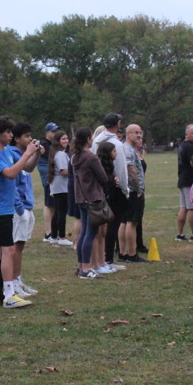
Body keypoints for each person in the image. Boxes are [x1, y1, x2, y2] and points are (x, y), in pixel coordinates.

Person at [0, 115, 39, 307]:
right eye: (7, 132)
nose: (10, 135)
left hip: (6, 208)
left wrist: (35, 154)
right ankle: (9, 296)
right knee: (8, 249)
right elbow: (10, 174)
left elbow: (27, 167)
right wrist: (27, 153)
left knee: (3, 251)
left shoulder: (7, 151)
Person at [91, 113, 128, 268]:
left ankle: (102, 258)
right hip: (113, 187)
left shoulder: (96, 140)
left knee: (102, 226)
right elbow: (121, 168)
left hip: (99, 185)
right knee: (113, 224)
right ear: (117, 124)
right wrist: (125, 189)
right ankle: (108, 259)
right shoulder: (116, 144)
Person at [71, 127, 107, 279]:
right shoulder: (91, 158)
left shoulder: (75, 157)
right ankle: (86, 268)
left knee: (84, 233)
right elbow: (103, 178)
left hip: (80, 197)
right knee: (90, 234)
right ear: (87, 139)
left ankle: (81, 265)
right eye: (91, 137)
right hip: (92, 197)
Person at [9, 121, 40, 299]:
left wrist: (36, 154)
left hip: (27, 205)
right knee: (15, 246)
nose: (30, 139)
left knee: (20, 246)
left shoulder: (23, 154)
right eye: (26, 136)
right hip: (19, 207)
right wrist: (19, 207)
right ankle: (12, 283)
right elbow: (11, 184)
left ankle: (18, 279)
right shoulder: (12, 154)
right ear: (17, 138)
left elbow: (29, 168)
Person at [119, 123, 147, 261]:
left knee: (124, 221)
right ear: (128, 134)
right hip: (133, 191)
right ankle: (131, 254)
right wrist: (138, 189)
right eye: (136, 132)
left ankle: (122, 253)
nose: (139, 135)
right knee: (132, 222)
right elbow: (132, 171)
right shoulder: (128, 149)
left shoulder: (125, 148)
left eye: (140, 132)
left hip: (126, 190)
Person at [47, 130, 72, 246]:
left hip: (58, 187)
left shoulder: (57, 153)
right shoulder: (61, 154)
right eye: (63, 139)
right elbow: (64, 171)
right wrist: (76, 171)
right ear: (57, 141)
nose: (66, 141)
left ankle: (54, 237)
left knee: (57, 212)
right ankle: (61, 237)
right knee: (61, 212)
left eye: (67, 138)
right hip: (62, 187)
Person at [176, 124, 193, 241]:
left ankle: (180, 234)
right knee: (191, 208)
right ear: (187, 134)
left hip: (182, 179)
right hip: (189, 180)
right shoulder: (190, 147)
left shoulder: (181, 145)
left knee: (183, 207)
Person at [38, 122, 58, 242]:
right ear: (47, 133)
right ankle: (48, 232)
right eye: (53, 131)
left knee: (54, 205)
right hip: (48, 177)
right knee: (49, 205)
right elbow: (52, 157)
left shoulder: (51, 144)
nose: (55, 134)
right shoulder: (44, 143)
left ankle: (53, 231)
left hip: (52, 176)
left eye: (56, 131)